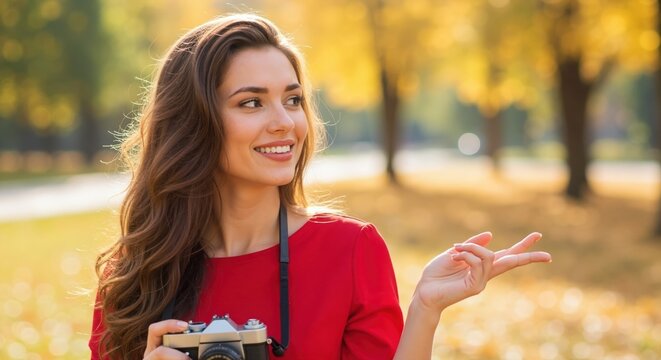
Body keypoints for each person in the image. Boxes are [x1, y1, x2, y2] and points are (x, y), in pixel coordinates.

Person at [89, 14, 552, 360]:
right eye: (252, 102)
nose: (285, 122)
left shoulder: (350, 250)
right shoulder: (135, 273)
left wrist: (425, 310)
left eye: (293, 99)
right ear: (193, 123)